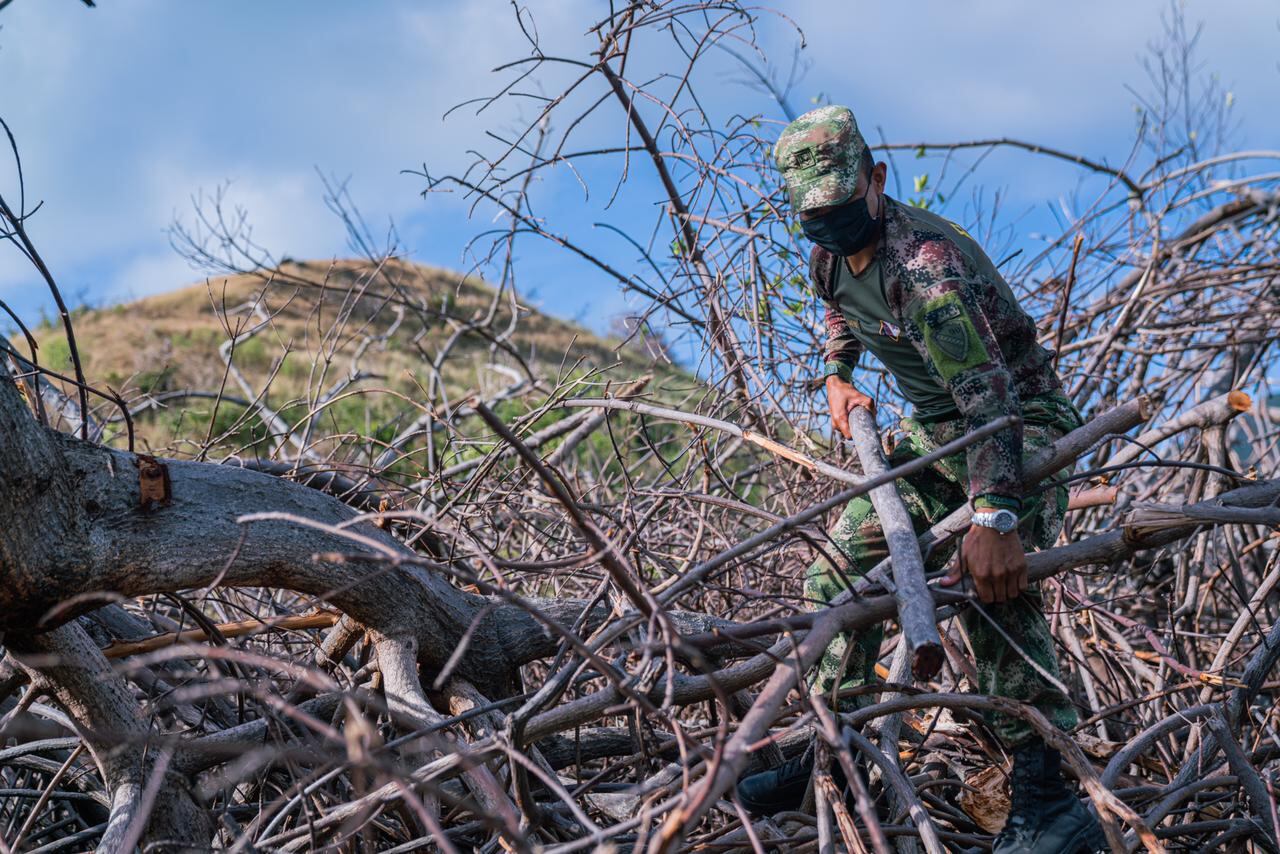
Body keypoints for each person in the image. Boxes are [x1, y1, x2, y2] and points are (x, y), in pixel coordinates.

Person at [735, 105, 1105, 853]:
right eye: (814, 214)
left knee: (993, 589)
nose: (830, 224)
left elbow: (992, 399)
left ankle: (1050, 796)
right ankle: (835, 760)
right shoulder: (828, 254)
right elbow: (839, 312)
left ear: (876, 180)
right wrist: (839, 374)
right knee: (838, 581)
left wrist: (995, 518)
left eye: (843, 205)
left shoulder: (923, 270)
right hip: (942, 432)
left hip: (1018, 425)